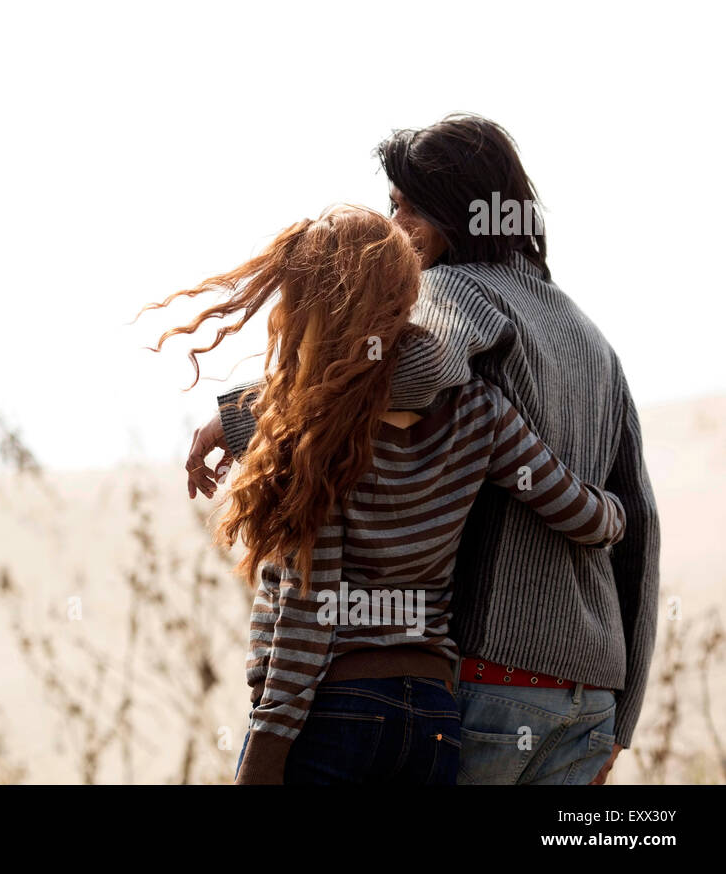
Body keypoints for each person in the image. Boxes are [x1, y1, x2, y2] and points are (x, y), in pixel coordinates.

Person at [185, 115, 659, 785]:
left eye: (406, 207)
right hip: (585, 705)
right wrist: (622, 718)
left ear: (457, 212)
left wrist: (241, 415)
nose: (397, 230)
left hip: (484, 682)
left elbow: (405, 374)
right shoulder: (591, 338)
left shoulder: (453, 292)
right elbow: (637, 530)